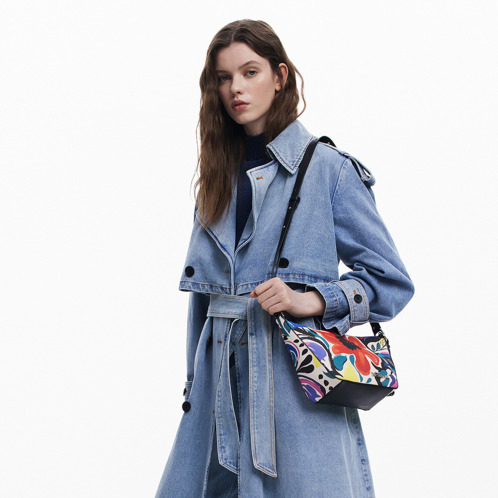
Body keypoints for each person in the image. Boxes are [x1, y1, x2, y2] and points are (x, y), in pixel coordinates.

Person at [155, 19, 414, 498]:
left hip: (295, 398)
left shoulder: (329, 171)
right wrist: (194, 387)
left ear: (279, 76)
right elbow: (202, 304)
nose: (236, 88)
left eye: (249, 72)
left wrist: (313, 299)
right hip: (217, 396)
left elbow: (391, 282)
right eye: (224, 77)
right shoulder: (215, 181)